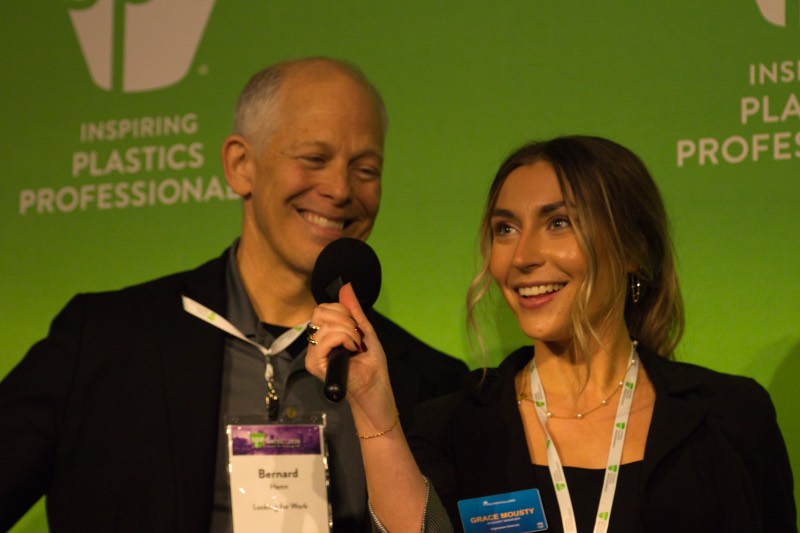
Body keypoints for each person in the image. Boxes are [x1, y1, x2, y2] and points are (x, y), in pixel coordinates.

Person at [0, 57, 467, 532]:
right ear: (241, 165)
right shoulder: (101, 341)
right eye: (314, 158)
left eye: (365, 169)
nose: (340, 188)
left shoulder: (431, 384)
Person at [305, 135, 796, 532]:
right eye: (505, 229)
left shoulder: (729, 417)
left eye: (558, 223)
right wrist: (373, 409)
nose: (522, 257)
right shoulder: (453, 425)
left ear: (632, 248)